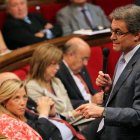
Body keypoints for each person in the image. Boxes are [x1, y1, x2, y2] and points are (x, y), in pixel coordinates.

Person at [76, 4, 140, 140]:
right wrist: (110, 89)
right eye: (112, 31)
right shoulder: (124, 56)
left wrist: (102, 111)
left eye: (118, 32)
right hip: (109, 131)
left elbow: (138, 114)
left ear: (137, 35)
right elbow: (124, 98)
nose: (112, 37)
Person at [0, 72, 98, 140]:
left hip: (71, 133)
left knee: (104, 119)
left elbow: (47, 123)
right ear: (4, 100)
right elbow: (41, 134)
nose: (22, 103)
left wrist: (52, 115)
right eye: (16, 98)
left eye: (24, 97)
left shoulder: (22, 110)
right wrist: (43, 114)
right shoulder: (7, 122)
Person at [56, 37, 104, 109]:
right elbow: (62, 103)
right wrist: (90, 101)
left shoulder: (80, 66)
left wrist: (100, 96)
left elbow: (90, 91)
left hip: (94, 108)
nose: (86, 63)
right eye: (84, 58)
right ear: (70, 55)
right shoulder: (58, 72)